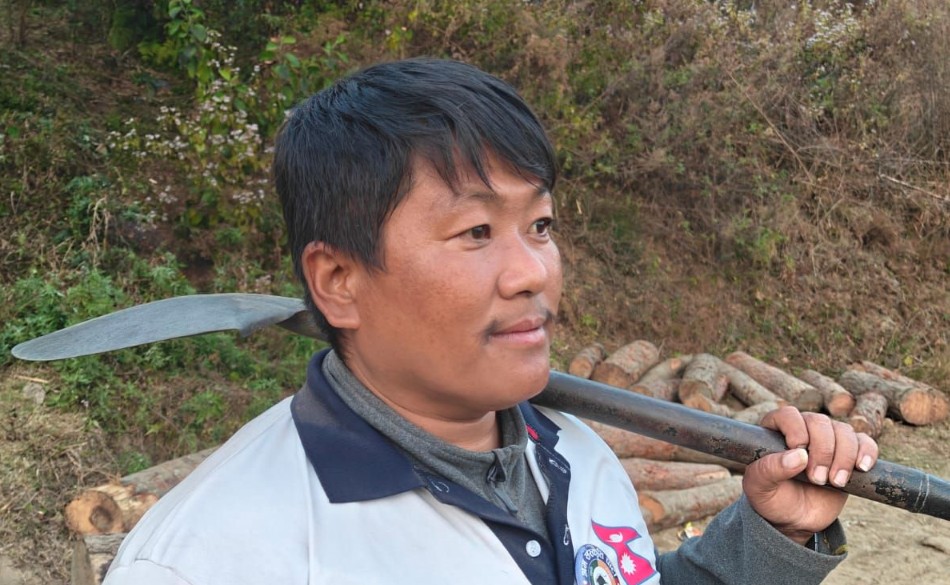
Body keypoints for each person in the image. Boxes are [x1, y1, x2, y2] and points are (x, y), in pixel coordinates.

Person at [103, 58, 878, 585]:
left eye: (539, 225)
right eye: (476, 231)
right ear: (339, 281)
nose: (532, 271)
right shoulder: (217, 555)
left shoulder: (576, 455)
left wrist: (768, 540)